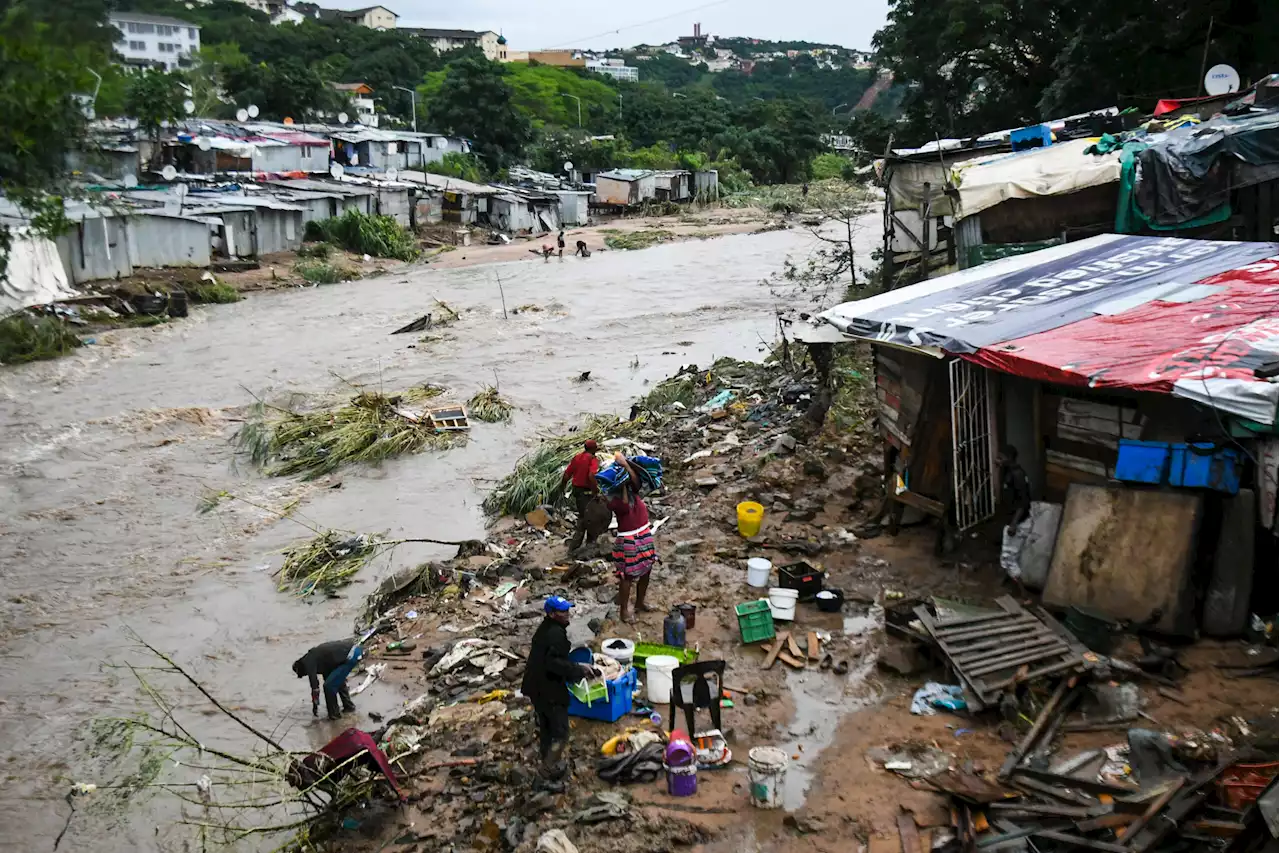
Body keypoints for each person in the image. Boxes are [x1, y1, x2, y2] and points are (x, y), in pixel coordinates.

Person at [521, 596, 596, 780]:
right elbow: (554, 664)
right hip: (549, 689)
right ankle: (547, 769)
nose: (567, 614)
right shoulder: (555, 634)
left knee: (546, 726)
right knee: (561, 732)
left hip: (534, 685)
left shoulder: (546, 629)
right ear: (552, 614)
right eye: (563, 612)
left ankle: (545, 757)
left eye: (567, 610)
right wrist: (579, 669)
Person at [608, 453, 658, 623]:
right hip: (628, 537)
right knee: (627, 575)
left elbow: (636, 482)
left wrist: (626, 466)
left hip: (643, 531)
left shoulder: (633, 489)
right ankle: (624, 611)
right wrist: (621, 485)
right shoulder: (610, 496)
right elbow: (622, 507)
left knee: (647, 568)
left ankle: (639, 602)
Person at [293, 640, 364, 720]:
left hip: (351, 654)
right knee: (336, 681)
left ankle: (334, 716)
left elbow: (315, 687)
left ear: (302, 669)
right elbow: (328, 677)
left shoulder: (308, 661)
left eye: (303, 674)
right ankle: (349, 707)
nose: (306, 674)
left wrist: (315, 707)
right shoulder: (319, 660)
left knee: (329, 686)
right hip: (355, 650)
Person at [997, 445, 1032, 595]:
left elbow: (1023, 503)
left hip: (1017, 522)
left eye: (1000, 458)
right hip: (1016, 520)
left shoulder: (1016, 475)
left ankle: (1024, 595)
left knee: (1008, 560)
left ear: (1009, 459)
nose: (997, 460)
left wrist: (1013, 524)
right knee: (1012, 555)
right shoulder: (1009, 472)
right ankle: (1009, 583)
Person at [561, 440, 601, 554]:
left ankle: (582, 544)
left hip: (577, 491)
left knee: (585, 516)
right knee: (587, 518)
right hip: (586, 492)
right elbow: (591, 475)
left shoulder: (577, 458)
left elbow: (567, 474)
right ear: (594, 450)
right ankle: (577, 546)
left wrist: (562, 488)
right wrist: (595, 491)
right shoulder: (593, 460)